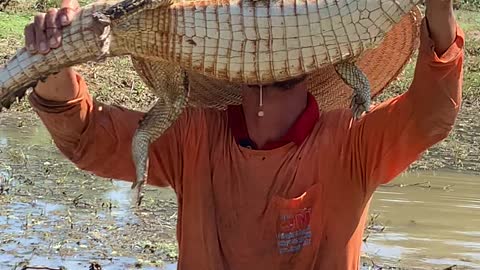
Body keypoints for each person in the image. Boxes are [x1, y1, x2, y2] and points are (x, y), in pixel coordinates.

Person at [23, 0, 463, 269]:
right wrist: (51, 60)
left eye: (286, 40)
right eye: (262, 40)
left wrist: (439, 10)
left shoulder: (353, 143)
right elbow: (88, 136)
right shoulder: (192, 136)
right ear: (239, 56)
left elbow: (431, 115)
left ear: (317, 57)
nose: (274, 50)